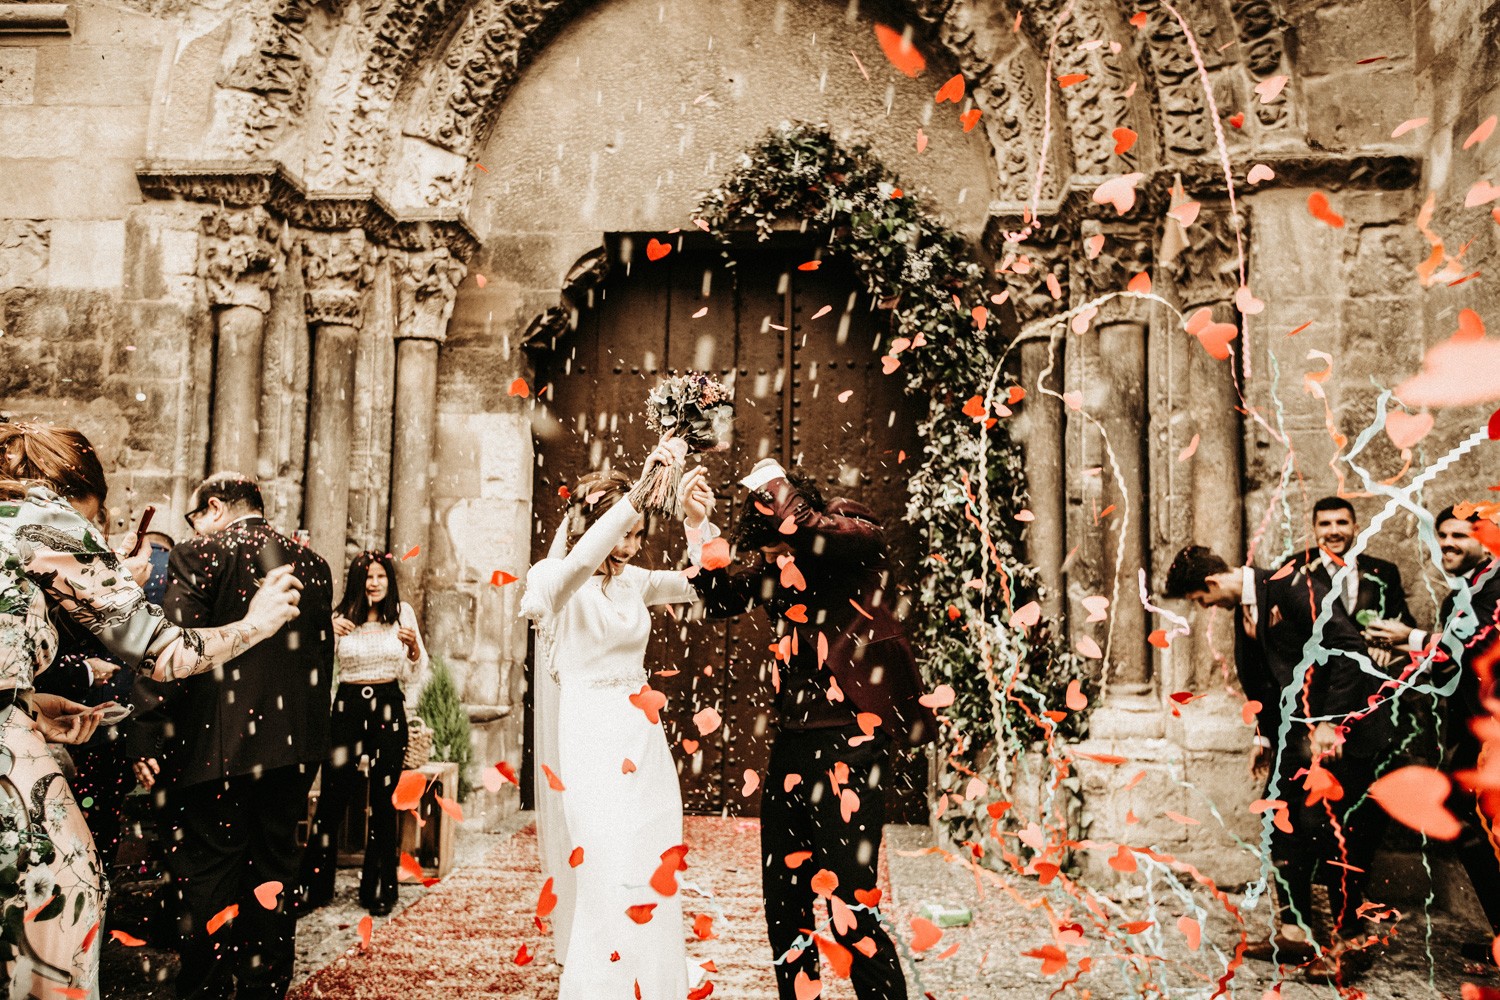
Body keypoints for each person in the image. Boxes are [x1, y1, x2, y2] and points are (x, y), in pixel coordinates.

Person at [0, 424, 303, 998]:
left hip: (34, 725)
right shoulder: (44, 518)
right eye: (96, 517)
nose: (96, 532)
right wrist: (256, 622)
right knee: (59, 902)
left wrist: (27, 704)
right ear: (70, 492)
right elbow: (161, 653)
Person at [692, 458, 936, 1000]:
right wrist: (696, 524)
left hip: (852, 738)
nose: (780, 549)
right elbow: (717, 599)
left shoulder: (850, 528)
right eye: (772, 538)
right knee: (786, 908)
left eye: (793, 509)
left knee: (851, 907)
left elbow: (818, 532)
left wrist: (768, 487)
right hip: (793, 745)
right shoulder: (780, 566)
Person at [128, 472, 334, 1000]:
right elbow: (317, 664)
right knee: (272, 881)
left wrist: (148, 733)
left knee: (209, 884)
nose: (193, 527)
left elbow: (174, 650)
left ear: (214, 507)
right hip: (290, 756)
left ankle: (209, 990)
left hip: (214, 753)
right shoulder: (314, 565)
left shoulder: (201, 553)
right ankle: (265, 986)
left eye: (194, 516)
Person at [519, 438, 709, 1000]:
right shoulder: (551, 578)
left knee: (651, 855)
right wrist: (639, 493)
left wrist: (697, 523)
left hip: (641, 735)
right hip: (590, 734)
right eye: (621, 532)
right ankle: (602, 983)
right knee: (603, 857)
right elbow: (579, 562)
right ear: (591, 524)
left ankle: (654, 978)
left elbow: (701, 582)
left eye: (636, 534)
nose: (628, 545)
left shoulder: (636, 581)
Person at [1164, 544, 1396, 977]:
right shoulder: (1245, 609)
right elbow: (1263, 680)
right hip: (1296, 736)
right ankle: (1295, 933)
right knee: (1280, 827)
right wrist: (1265, 738)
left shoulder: (1293, 585)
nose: (1206, 607)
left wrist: (1332, 723)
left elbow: (1349, 647)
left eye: (1201, 600)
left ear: (1212, 583)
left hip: (1340, 732)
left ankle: (1351, 943)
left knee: (1322, 829)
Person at [1364, 506, 1500, 964]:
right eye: (1442, 536)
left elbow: (1481, 641)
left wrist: (1414, 638)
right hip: (1473, 737)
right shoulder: (1456, 597)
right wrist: (1397, 653)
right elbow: (1450, 664)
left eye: (1458, 535)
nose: (1447, 544)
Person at [297, 550, 427, 917]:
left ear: (389, 580)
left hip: (388, 702)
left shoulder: (403, 615)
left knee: (385, 801)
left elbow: (413, 672)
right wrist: (325, 633)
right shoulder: (340, 618)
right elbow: (316, 667)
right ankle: (314, 886)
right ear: (358, 581)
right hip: (348, 706)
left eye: (381, 576)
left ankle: (379, 888)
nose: (374, 583)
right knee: (333, 798)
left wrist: (414, 648)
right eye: (368, 577)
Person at [1294, 497, 1415, 662]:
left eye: (1342, 523)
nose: (1334, 531)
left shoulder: (1384, 572)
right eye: (1325, 524)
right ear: (1314, 530)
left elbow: (1403, 621)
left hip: (1370, 672)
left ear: (1356, 528)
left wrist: (1383, 644)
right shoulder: (1294, 568)